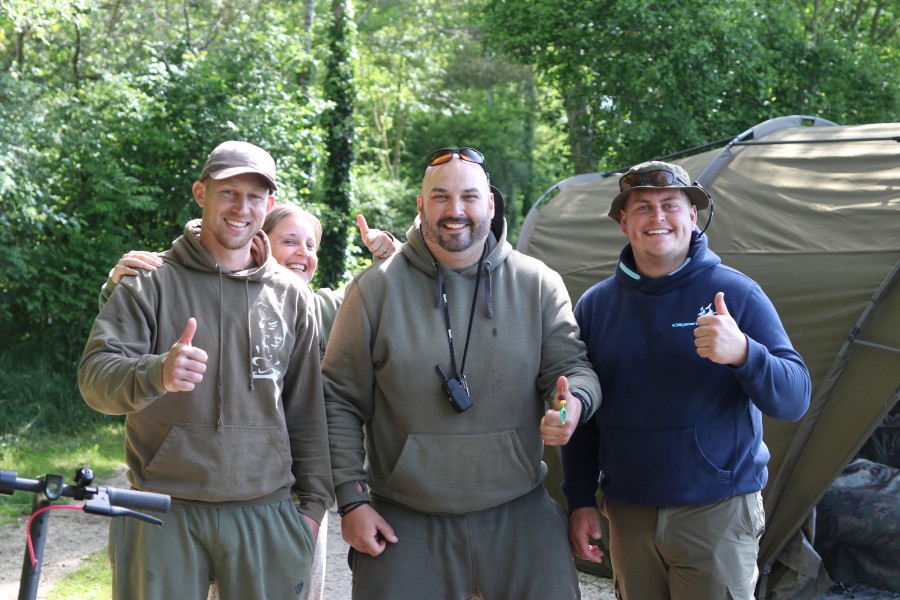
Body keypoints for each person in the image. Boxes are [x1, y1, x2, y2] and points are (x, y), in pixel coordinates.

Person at [321, 146, 602, 599]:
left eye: (469, 197)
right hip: (406, 516)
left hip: (519, 510)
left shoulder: (538, 282)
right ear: (420, 205)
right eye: (440, 197)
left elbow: (572, 369)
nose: (455, 211)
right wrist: (352, 500)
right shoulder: (374, 289)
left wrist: (572, 406)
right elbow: (339, 398)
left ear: (490, 203)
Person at [96, 205, 398, 600]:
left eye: (311, 245)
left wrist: (387, 255)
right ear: (259, 242)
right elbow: (121, 342)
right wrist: (115, 283)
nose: (302, 252)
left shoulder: (321, 307)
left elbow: (379, 295)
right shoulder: (191, 285)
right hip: (195, 498)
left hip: (291, 502)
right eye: (289, 241)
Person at [79, 140, 333, 600]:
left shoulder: (291, 295)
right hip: (161, 511)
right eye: (229, 192)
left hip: (266, 514)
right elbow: (95, 378)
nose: (242, 208)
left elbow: (306, 411)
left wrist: (311, 509)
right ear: (201, 193)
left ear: (269, 204)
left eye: (255, 196)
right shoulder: (149, 281)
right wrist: (157, 373)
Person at [561, 160, 812, 599]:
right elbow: (581, 418)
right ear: (624, 221)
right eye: (642, 207)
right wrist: (581, 499)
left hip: (716, 513)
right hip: (628, 513)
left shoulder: (736, 294)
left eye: (670, 205)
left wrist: (745, 354)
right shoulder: (595, 307)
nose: (657, 218)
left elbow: (795, 399)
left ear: (691, 216)